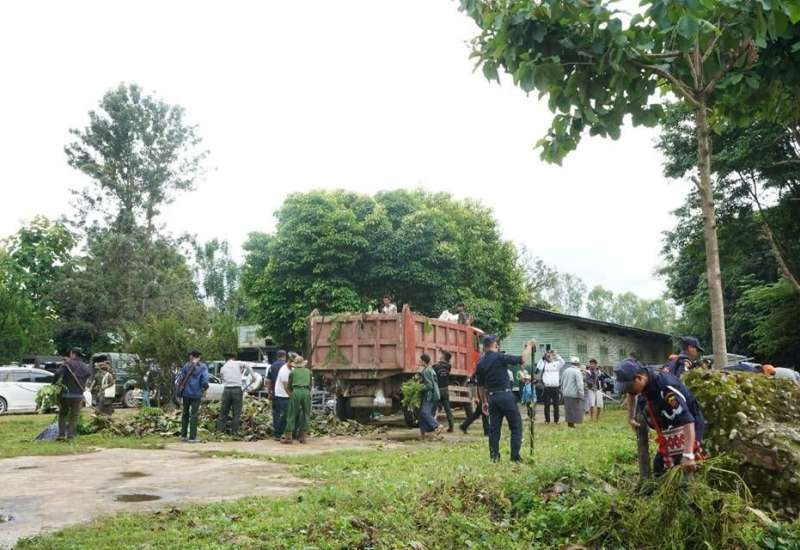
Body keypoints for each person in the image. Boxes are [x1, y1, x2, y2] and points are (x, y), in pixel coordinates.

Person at [615, 358, 705, 475]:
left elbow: (688, 420)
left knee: (686, 468)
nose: (627, 391)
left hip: (688, 427)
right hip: (670, 425)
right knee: (660, 467)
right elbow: (631, 394)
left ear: (639, 378)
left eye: (629, 387)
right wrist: (631, 417)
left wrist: (688, 454)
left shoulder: (665, 388)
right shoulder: (645, 378)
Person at [476, 335, 536, 462]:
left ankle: (494, 457)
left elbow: (480, 386)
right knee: (515, 426)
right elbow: (522, 359)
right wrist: (529, 346)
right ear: (494, 345)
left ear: (484, 347)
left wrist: (484, 402)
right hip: (506, 396)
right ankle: (515, 456)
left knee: (494, 429)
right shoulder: (500, 357)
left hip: (492, 398)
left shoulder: (480, 363)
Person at [52, 348, 92, 441]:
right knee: (74, 416)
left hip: (66, 394)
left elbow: (58, 373)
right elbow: (88, 374)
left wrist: (53, 384)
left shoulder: (67, 364)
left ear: (72, 354)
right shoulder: (85, 366)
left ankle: (61, 435)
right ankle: (71, 436)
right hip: (78, 395)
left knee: (63, 414)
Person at [217, 353, 255, 436]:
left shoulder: (223, 367)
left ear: (226, 359)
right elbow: (248, 365)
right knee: (236, 412)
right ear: (233, 358)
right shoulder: (238, 363)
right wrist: (253, 377)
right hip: (236, 390)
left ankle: (220, 431)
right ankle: (234, 432)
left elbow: (222, 379)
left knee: (223, 412)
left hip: (227, 390)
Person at [177, 349, 209, 443]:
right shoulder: (202, 366)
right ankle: (192, 437)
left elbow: (180, 377)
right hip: (196, 393)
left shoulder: (186, 365)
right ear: (199, 357)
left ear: (191, 356)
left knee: (185, 413)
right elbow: (205, 380)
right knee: (194, 415)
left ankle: (183, 435)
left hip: (186, 393)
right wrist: (204, 389)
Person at [282, 355, 313, 444]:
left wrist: (292, 393)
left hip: (296, 391)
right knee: (306, 414)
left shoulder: (292, 372)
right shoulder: (309, 372)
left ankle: (288, 438)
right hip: (306, 392)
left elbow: (289, 386)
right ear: (303, 364)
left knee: (291, 413)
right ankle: (303, 437)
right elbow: (310, 385)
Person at [536, 349, 565, 424]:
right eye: (548, 355)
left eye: (551, 355)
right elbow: (538, 368)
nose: (550, 356)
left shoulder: (557, 363)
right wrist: (542, 358)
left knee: (556, 405)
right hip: (547, 387)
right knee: (547, 404)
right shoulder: (544, 364)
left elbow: (563, 362)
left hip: (555, 387)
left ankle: (556, 420)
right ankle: (547, 420)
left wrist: (556, 354)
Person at [418, 354, 442, 439]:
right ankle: (423, 433)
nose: (419, 361)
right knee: (421, 415)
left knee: (425, 412)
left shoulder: (427, 371)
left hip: (429, 395)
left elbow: (429, 385)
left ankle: (437, 426)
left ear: (423, 361)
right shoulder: (429, 369)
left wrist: (419, 387)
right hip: (430, 395)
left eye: (420, 360)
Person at [433, 350, 455, 432]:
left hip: (438, 390)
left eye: (441, 355)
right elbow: (448, 357)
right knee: (447, 409)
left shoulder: (435, 366)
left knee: (433, 409)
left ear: (443, 357)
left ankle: (433, 426)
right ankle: (451, 426)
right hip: (445, 389)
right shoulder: (448, 366)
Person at [561, 357, 585, 428]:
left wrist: (562, 391)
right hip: (574, 394)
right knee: (575, 410)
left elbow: (561, 382)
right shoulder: (577, 371)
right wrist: (581, 394)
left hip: (566, 393)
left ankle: (570, 424)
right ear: (578, 363)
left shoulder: (565, 371)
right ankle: (573, 424)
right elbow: (580, 384)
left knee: (568, 410)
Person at [273, 353, 292, 441]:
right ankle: (278, 433)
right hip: (282, 394)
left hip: (287, 394)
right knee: (284, 415)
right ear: (289, 361)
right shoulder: (284, 370)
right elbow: (286, 387)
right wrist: (292, 396)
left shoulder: (292, 368)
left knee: (288, 414)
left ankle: (287, 432)